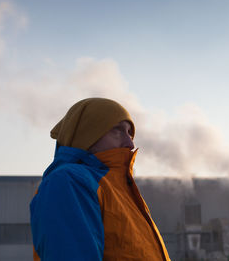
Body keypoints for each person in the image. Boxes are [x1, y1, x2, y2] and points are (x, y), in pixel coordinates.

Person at [30, 98, 170, 261]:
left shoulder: (120, 189)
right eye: (117, 130)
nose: (130, 143)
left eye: (130, 133)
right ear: (87, 135)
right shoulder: (69, 181)